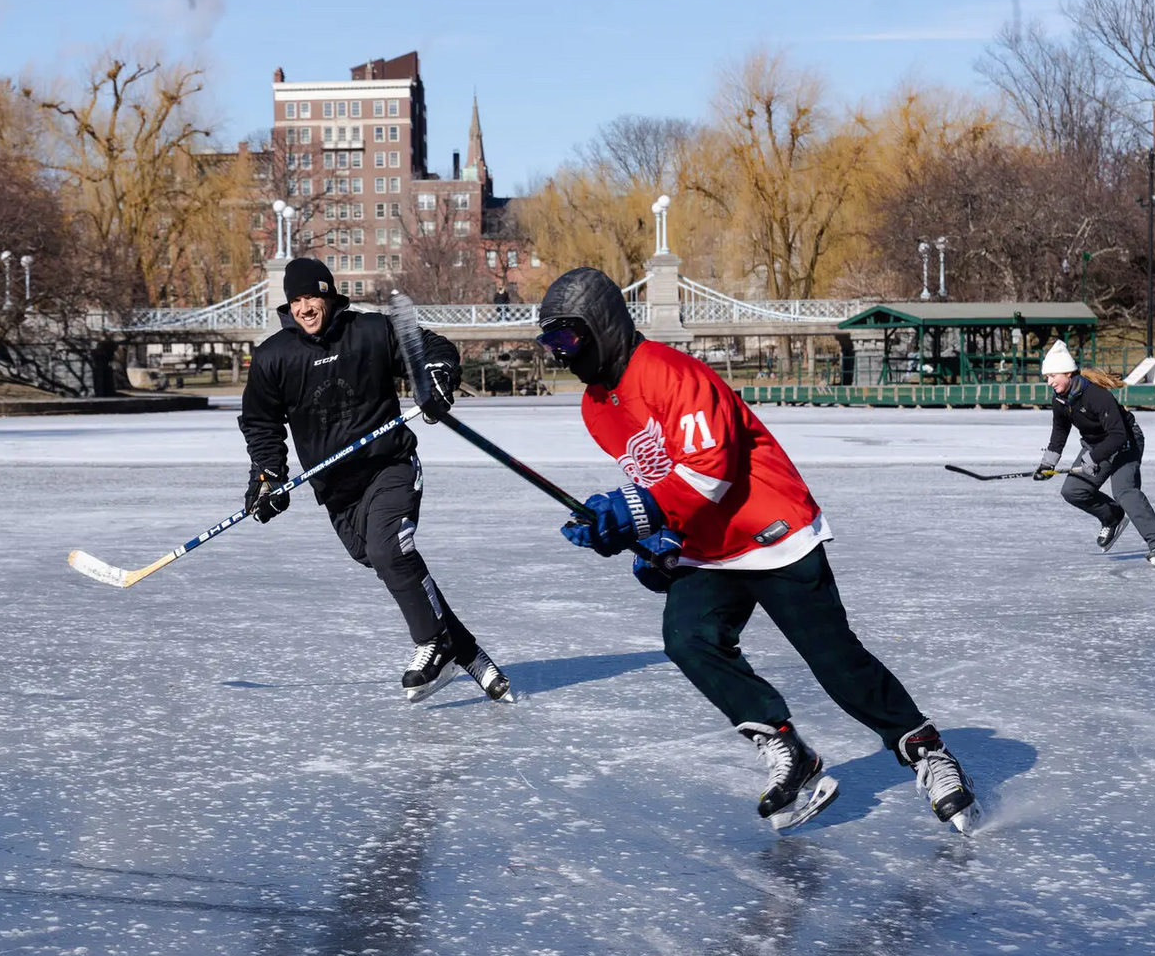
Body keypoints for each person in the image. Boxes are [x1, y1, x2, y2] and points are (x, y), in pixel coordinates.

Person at [536, 267, 978, 833]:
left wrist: (633, 512)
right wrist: (643, 539)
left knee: (836, 662)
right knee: (689, 638)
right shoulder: (598, 406)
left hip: (771, 530)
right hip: (709, 547)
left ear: (601, 326)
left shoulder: (672, 374)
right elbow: (658, 477)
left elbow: (707, 475)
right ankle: (787, 747)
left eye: (567, 339)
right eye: (550, 344)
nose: (561, 354)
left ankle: (925, 748)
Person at [240, 257, 512, 703]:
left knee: (391, 550)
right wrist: (268, 475)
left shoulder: (369, 331)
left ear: (328, 296)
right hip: (336, 490)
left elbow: (431, 349)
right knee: (389, 563)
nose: (305, 308)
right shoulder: (273, 357)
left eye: (312, 297)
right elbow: (261, 423)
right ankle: (463, 650)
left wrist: (438, 374)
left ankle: (432, 644)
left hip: (389, 467)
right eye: (297, 300)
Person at [1033, 340, 1155, 567]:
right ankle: (1112, 517)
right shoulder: (1060, 399)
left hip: (1126, 442)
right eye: (1047, 377)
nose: (1049, 382)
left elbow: (1118, 435)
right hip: (1096, 444)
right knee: (1073, 491)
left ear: (1068, 373)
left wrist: (1093, 458)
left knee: (1125, 491)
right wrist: (1047, 464)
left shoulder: (1096, 396)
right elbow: (1059, 432)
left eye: (1052, 376)